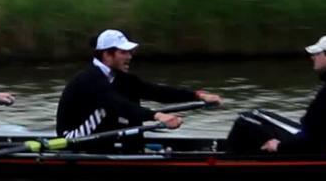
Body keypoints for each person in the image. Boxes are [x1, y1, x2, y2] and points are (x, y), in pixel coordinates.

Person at [56, 29, 221, 152]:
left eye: (129, 52)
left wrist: (196, 95)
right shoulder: (89, 78)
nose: (129, 56)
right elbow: (118, 105)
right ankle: (122, 153)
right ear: (107, 55)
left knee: (131, 92)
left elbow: (155, 91)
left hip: (98, 131)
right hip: (73, 138)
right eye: (123, 52)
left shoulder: (120, 77)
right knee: (115, 104)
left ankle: (135, 150)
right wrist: (157, 116)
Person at [226, 34, 326, 154]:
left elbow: (312, 140)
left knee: (245, 119)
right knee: (257, 115)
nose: (312, 57)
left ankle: (228, 162)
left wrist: (279, 146)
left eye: (317, 54)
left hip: (314, 148)